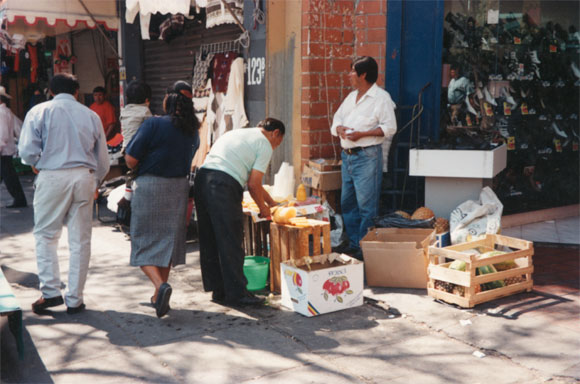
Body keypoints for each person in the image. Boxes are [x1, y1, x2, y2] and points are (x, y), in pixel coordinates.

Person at [18, 73, 110, 314]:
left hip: (52, 176)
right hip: (84, 177)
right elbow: (103, 160)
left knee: (46, 236)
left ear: (50, 91)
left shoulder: (39, 112)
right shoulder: (90, 115)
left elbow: (27, 151)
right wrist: (96, 181)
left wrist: (36, 161)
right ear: (77, 92)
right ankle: (75, 299)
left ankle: (50, 293)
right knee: (80, 240)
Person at [124, 80, 199, 318]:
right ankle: (159, 297)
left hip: (150, 186)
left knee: (142, 242)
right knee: (166, 243)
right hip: (178, 188)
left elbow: (130, 159)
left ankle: (160, 286)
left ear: (170, 99)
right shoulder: (192, 130)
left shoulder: (154, 123)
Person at [194, 118, 285, 307]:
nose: (276, 147)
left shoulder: (238, 133)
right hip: (223, 184)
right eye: (279, 142)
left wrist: (271, 202)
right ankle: (238, 293)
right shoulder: (265, 143)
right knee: (231, 238)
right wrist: (263, 209)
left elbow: (256, 185)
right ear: (275, 133)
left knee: (210, 237)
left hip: (203, 179)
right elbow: (253, 184)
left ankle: (218, 290)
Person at [330, 56, 397, 258]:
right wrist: (340, 128)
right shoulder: (351, 97)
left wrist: (362, 134)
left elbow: (390, 127)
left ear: (363, 74)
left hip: (367, 156)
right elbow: (336, 120)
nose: (349, 75)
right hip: (348, 157)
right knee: (348, 203)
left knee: (366, 206)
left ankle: (364, 249)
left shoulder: (381, 98)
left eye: (352, 72)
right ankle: (353, 244)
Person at [0, 86, 27, 208]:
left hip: (3, 150)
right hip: (5, 149)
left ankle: (19, 199)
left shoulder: (2, 113)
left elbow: (3, 134)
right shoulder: (6, 112)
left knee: (9, 176)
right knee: (7, 174)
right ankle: (19, 199)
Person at [120, 80, 152, 151]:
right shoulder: (145, 111)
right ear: (146, 99)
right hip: (138, 150)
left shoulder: (124, 111)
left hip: (125, 147)